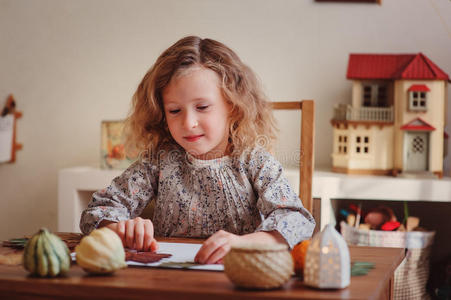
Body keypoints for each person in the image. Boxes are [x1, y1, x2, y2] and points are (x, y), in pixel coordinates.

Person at [80, 36, 315, 264]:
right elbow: (97, 210)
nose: (188, 123)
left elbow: (297, 220)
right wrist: (123, 230)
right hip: (169, 280)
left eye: (202, 107)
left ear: (232, 106)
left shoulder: (254, 161)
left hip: (238, 279)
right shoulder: (160, 160)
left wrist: (246, 242)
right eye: (174, 111)